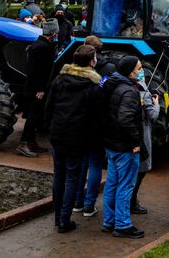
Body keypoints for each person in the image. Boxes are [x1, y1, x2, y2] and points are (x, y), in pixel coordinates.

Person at [44, 45, 102, 233]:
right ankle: (64, 220)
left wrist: (51, 128)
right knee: (71, 177)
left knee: (59, 175)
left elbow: (49, 107)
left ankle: (57, 217)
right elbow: (95, 117)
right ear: (92, 61)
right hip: (77, 137)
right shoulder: (93, 86)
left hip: (58, 133)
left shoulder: (59, 80)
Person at [72, 36, 117, 215]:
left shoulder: (75, 69)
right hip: (98, 123)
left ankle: (77, 201)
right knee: (95, 163)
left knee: (81, 164)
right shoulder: (109, 69)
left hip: (79, 122)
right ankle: (89, 205)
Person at [101, 56, 145, 239]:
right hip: (125, 146)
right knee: (125, 186)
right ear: (130, 71)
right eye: (139, 68)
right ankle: (122, 224)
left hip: (111, 143)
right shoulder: (129, 91)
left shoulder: (112, 85)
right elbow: (125, 120)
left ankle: (109, 221)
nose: (142, 71)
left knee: (112, 183)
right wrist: (135, 142)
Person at [17, 19, 58, 158]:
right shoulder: (42, 47)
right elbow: (38, 70)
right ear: (53, 33)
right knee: (33, 116)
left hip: (34, 87)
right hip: (36, 89)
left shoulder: (40, 45)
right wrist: (40, 89)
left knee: (35, 115)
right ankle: (23, 143)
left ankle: (31, 141)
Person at [130, 74, 160, 214]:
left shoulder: (120, 88)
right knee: (141, 169)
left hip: (125, 134)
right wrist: (157, 105)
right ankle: (131, 200)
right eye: (139, 68)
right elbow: (153, 116)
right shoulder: (145, 93)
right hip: (142, 133)